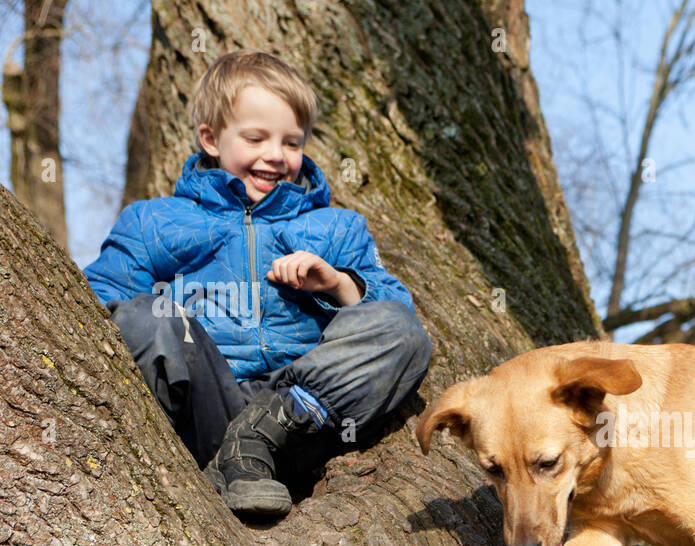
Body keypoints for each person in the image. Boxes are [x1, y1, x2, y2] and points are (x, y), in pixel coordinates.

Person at [84, 50, 433, 519]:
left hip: (298, 419)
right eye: (256, 138)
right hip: (203, 408)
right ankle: (200, 461)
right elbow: (96, 304)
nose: (276, 155)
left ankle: (254, 441)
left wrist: (335, 284)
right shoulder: (153, 222)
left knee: (402, 332)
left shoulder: (335, 228)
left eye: (292, 142)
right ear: (210, 138)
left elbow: (395, 307)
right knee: (146, 317)